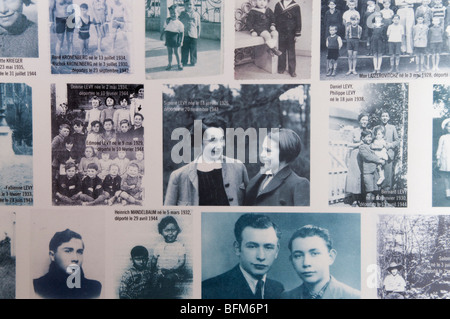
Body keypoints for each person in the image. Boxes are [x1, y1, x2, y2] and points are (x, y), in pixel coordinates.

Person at [164, 119, 249, 206]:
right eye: (212, 140)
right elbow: (168, 216)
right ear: (199, 142)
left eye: (222, 139)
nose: (220, 145)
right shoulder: (179, 176)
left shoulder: (238, 168)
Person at [202, 213, 284, 299]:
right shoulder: (209, 289)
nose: (261, 257)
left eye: (268, 247)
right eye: (252, 246)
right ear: (237, 248)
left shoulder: (278, 289)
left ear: (277, 251)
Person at [282, 225, 360, 299]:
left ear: (330, 257)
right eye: (298, 256)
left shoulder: (355, 297)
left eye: (314, 254)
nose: (306, 263)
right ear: (291, 260)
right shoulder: (284, 297)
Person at [244, 128, 310, 206]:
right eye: (263, 149)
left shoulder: (298, 184)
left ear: (284, 153)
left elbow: (301, 217)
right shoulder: (258, 178)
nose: (262, 154)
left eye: (268, 151)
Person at [33, 229, 102, 299]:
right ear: (52, 255)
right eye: (68, 251)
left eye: (79, 252)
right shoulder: (36, 286)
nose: (75, 258)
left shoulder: (94, 288)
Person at [151, 216, 186, 298]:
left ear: (177, 231)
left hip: (174, 272)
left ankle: (165, 296)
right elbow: (154, 260)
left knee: (168, 280)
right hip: (160, 271)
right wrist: (152, 271)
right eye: (167, 230)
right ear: (161, 232)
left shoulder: (180, 246)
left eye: (173, 230)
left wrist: (172, 269)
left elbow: (182, 261)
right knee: (153, 282)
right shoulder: (159, 246)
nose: (170, 233)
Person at [345, 113, 369, 206]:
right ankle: (355, 199)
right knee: (355, 176)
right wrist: (359, 144)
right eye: (363, 119)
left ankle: (362, 199)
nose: (365, 122)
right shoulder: (354, 131)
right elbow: (348, 144)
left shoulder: (369, 132)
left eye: (366, 120)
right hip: (355, 156)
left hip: (365, 156)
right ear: (359, 121)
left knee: (364, 176)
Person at [274, 0, 302, 77]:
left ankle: (292, 70)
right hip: (280, 32)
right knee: (281, 50)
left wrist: (297, 34)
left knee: (291, 52)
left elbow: (298, 21)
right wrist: (274, 30)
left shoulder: (296, 6)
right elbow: (274, 18)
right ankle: (281, 68)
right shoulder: (278, 5)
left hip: (291, 33)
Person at [374, 111, 399, 191]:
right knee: (378, 175)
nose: (384, 117)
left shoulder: (392, 127)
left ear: (389, 118)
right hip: (377, 155)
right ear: (380, 117)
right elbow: (372, 140)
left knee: (387, 176)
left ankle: (385, 197)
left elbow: (397, 141)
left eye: (386, 116)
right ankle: (377, 195)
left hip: (388, 155)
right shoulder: (376, 128)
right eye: (383, 116)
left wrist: (390, 145)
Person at [359, 130, 385, 205]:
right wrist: (379, 160)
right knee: (369, 191)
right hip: (368, 172)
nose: (370, 139)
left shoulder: (371, 146)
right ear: (363, 138)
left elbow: (377, 153)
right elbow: (368, 157)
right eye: (367, 137)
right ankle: (368, 207)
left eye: (370, 137)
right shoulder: (362, 147)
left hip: (375, 170)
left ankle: (377, 205)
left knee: (376, 189)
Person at [161, 4, 184, 71]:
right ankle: (169, 64)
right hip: (168, 38)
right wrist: (161, 35)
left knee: (176, 52)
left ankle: (179, 64)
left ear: (178, 14)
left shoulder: (179, 23)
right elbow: (164, 28)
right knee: (169, 52)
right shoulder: (167, 21)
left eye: (174, 13)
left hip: (176, 39)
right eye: (171, 13)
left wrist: (181, 41)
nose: (173, 14)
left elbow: (182, 33)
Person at [179, 0, 201, 67]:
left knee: (193, 49)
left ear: (193, 5)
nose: (189, 6)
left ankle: (193, 61)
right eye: (187, 4)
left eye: (190, 4)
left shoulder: (196, 14)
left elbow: (198, 25)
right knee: (184, 48)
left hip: (193, 34)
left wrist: (198, 34)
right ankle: (184, 61)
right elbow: (178, 23)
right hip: (184, 34)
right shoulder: (181, 14)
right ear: (184, 5)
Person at [436, 118, 450, 198]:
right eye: (449, 126)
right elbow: (439, 149)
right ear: (445, 128)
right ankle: (448, 193)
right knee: (446, 176)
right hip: (446, 160)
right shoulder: (443, 137)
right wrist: (438, 159)